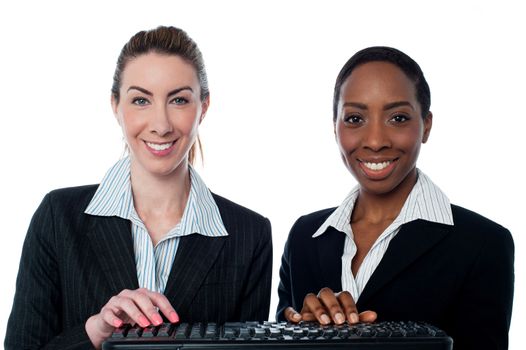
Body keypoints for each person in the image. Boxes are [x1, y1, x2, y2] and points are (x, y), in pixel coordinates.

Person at [5, 26, 272, 350]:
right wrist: (96, 331)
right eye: (141, 99)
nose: (160, 124)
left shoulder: (248, 235)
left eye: (178, 99)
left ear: (203, 106)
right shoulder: (58, 218)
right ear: (115, 105)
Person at [276, 46, 514, 349]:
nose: (375, 141)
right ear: (334, 128)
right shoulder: (304, 237)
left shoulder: (482, 244)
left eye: (398, 118)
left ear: (426, 125)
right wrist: (310, 333)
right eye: (354, 119)